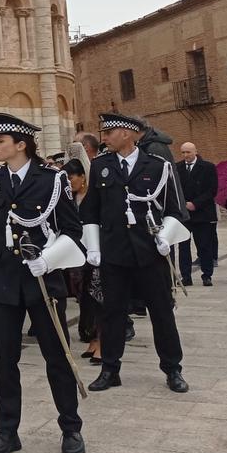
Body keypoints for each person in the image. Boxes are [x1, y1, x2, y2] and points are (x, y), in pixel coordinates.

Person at [0, 112, 86, 453]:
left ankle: (70, 428)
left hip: (42, 282)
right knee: (5, 361)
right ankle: (7, 431)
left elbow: (72, 230)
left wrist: (49, 260)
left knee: (58, 358)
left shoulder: (52, 180)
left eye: (1, 141)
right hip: (5, 282)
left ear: (21, 145)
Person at [81, 113, 189, 394]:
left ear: (127, 134)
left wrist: (165, 238)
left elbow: (175, 210)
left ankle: (172, 368)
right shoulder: (101, 166)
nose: (104, 138)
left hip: (149, 255)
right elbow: (90, 210)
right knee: (112, 313)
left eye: (109, 132)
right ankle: (110, 369)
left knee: (162, 313)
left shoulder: (157, 166)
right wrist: (93, 247)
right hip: (114, 255)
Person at [63, 159, 103, 364]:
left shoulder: (94, 196)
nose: (69, 183)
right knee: (83, 298)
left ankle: (101, 342)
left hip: (96, 252)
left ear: (82, 177)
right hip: (77, 254)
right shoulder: (68, 198)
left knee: (98, 296)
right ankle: (92, 338)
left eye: (71, 178)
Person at [176, 143, 218, 286]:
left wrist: (196, 203)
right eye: (183, 152)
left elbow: (212, 190)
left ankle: (207, 274)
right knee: (183, 246)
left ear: (195, 151)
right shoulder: (177, 168)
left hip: (202, 213)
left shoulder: (208, 167)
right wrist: (183, 204)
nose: (185, 155)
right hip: (184, 214)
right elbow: (175, 189)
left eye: (188, 152)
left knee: (204, 245)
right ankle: (186, 276)